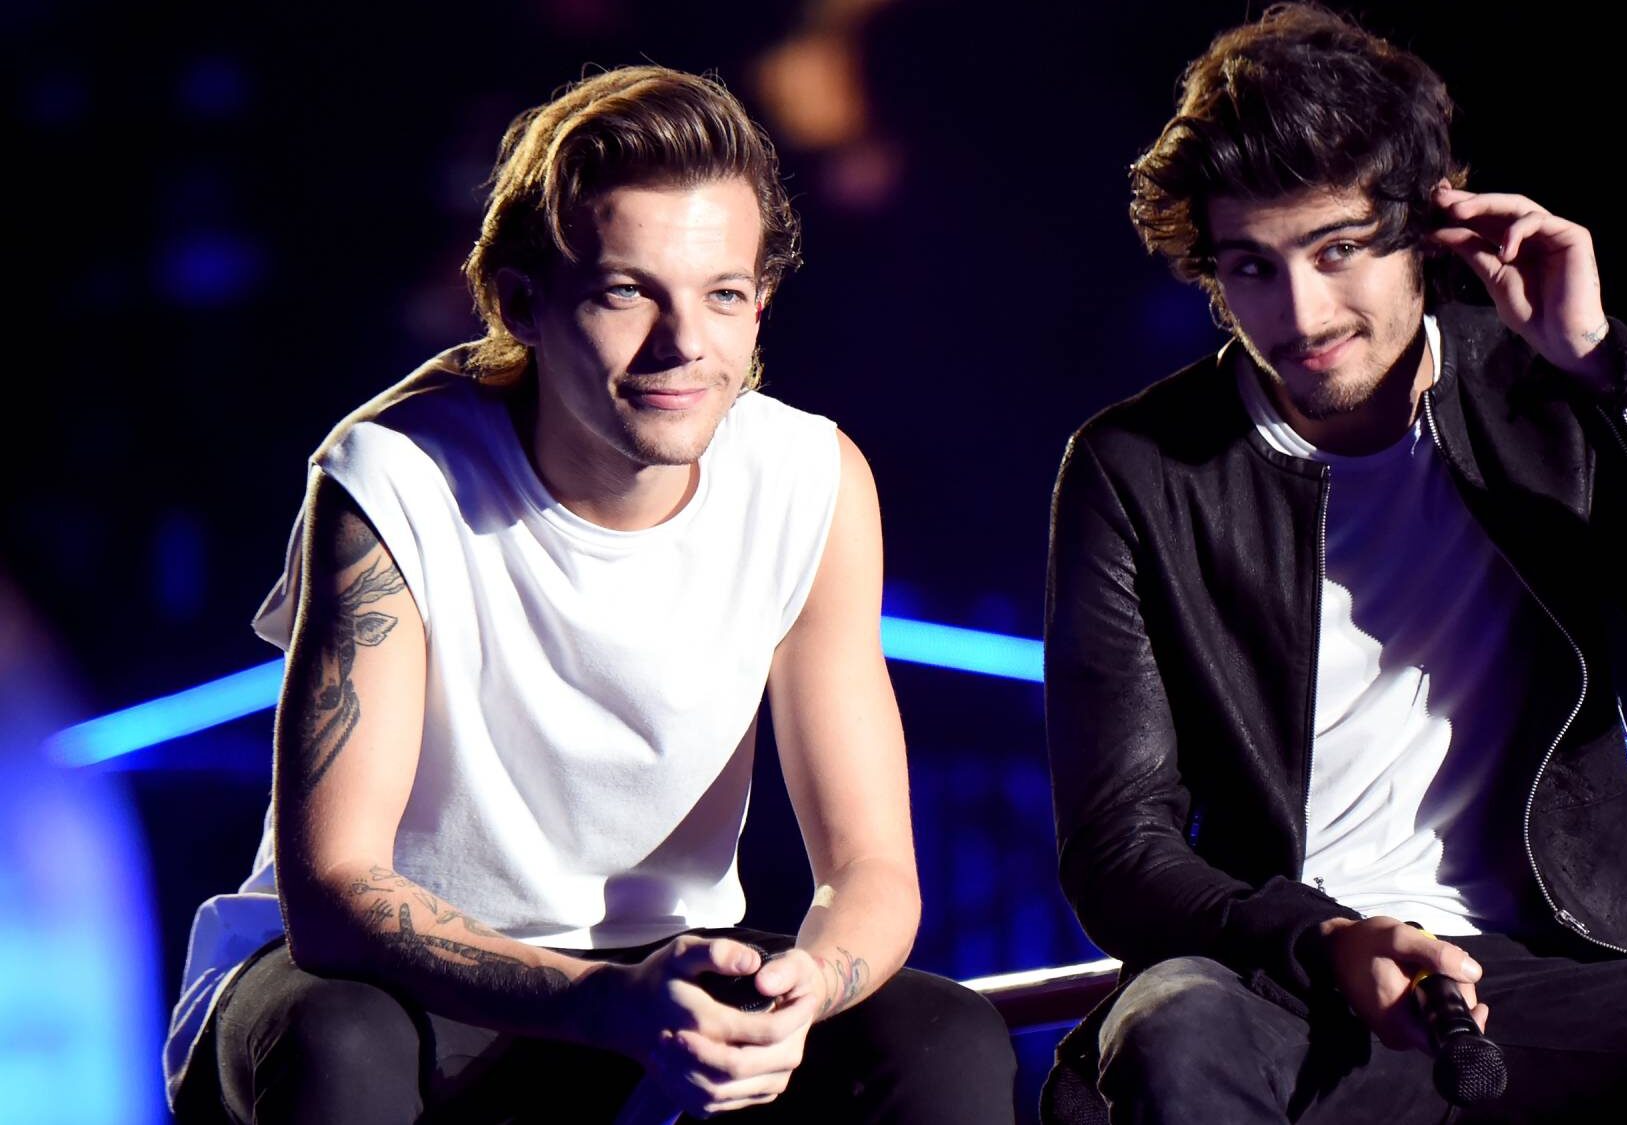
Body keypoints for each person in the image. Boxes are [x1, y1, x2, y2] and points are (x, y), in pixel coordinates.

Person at [1040, 7, 1627, 1122]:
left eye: (1337, 249)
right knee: (1176, 1025)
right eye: (1252, 266)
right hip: (1279, 974)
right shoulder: (1137, 465)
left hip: (1544, 971)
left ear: (1425, 229)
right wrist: (1322, 937)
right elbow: (1118, 848)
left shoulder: (1537, 392)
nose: (1299, 313)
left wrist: (1601, 375)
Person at [164, 65, 1014, 1124]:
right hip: (385, 979)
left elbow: (874, 868)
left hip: (649, 973)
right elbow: (335, 895)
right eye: (626, 293)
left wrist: (809, 989)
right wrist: (599, 1005)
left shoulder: (812, 478)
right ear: (522, 302)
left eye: (723, 295)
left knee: (943, 1041)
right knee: (340, 1042)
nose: (683, 346)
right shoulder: (394, 472)